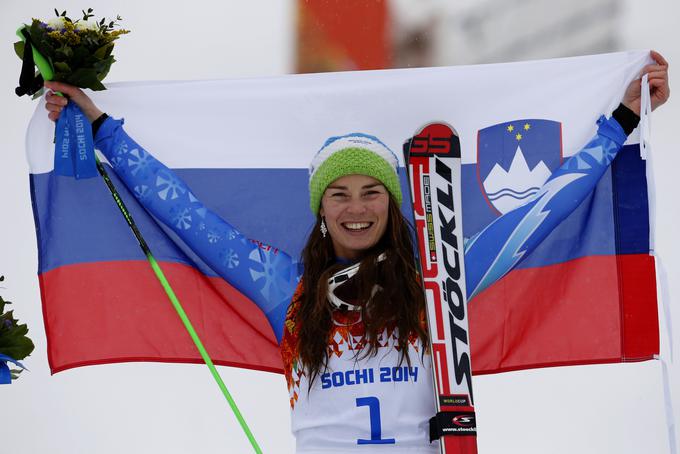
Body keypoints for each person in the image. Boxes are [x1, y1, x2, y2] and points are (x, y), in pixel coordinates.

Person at [43, 51, 669, 453]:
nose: (356, 206)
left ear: (392, 204)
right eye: (338, 194)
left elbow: (540, 211)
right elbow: (183, 212)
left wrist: (620, 122)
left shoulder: (440, 275)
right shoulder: (282, 286)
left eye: (372, 191)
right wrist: (101, 126)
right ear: (320, 210)